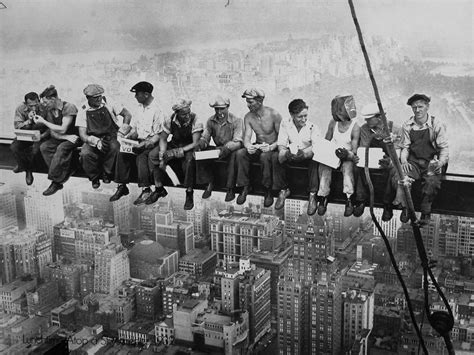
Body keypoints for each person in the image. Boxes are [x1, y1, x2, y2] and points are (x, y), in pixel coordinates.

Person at [384, 94, 448, 225]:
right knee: (401, 176)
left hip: (432, 162)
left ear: (427, 107)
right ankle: (404, 207)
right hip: (414, 162)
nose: (417, 110)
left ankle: (425, 213)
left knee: (431, 182)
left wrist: (440, 163)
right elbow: (405, 147)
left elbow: (444, 148)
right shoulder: (407, 125)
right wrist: (404, 161)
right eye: (414, 108)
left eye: (420, 107)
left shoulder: (436, 124)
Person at [109, 81, 166, 205]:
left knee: (141, 157)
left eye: (137, 94)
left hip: (151, 143)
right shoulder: (140, 108)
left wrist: (146, 143)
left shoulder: (157, 110)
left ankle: (146, 189)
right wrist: (128, 137)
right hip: (139, 141)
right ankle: (122, 186)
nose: (135, 97)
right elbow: (135, 128)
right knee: (121, 152)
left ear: (146, 94)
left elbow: (159, 134)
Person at [149, 99, 203, 210]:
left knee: (189, 161)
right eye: (183, 114)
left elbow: (195, 142)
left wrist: (177, 152)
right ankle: (159, 188)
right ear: (177, 113)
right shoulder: (170, 119)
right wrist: (162, 154)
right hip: (175, 143)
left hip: (189, 147)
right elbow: (163, 139)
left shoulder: (196, 119)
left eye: (188, 112)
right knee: (153, 155)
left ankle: (189, 192)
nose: (187, 116)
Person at [76, 84, 132, 189]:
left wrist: (122, 132)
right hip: (93, 138)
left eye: (100, 96)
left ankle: (107, 173)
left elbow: (127, 114)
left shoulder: (108, 102)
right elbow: (82, 134)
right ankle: (94, 177)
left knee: (115, 148)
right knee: (85, 154)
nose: (99, 99)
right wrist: (96, 142)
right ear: (88, 98)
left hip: (111, 135)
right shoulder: (83, 109)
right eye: (95, 97)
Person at [235, 88, 283, 207]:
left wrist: (271, 147)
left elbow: (283, 138)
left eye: (250, 102)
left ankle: (267, 190)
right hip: (259, 146)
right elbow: (247, 137)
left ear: (260, 101)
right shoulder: (248, 117)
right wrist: (248, 146)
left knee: (264, 156)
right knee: (240, 153)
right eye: (247, 102)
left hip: (273, 148)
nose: (248, 105)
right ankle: (245, 186)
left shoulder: (274, 114)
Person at [274, 99, 321, 214]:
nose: (304, 119)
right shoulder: (285, 123)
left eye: (305, 116)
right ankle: (283, 190)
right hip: (292, 155)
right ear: (292, 115)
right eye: (300, 117)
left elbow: (317, 146)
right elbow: (281, 143)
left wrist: (304, 154)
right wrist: (285, 153)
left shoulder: (313, 127)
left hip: (307, 156)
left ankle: (312, 195)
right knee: (277, 157)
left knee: (316, 161)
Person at [353, 103, 400, 217]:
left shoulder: (395, 129)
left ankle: (387, 204)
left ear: (379, 117)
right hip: (371, 160)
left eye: (369, 119)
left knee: (394, 170)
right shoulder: (365, 129)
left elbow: (397, 153)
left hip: (388, 160)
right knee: (358, 167)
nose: (366, 121)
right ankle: (361, 200)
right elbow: (364, 147)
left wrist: (389, 161)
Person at [316, 94, 360, 217]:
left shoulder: (355, 126)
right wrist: (325, 152)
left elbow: (355, 150)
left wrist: (347, 154)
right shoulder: (333, 123)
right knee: (324, 167)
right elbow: (327, 140)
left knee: (347, 169)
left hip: (346, 156)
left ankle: (349, 198)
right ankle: (323, 197)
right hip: (333, 154)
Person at [32, 85, 80, 195]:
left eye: (45, 102)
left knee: (62, 148)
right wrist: (64, 137)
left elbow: (63, 129)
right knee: (44, 147)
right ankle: (63, 172)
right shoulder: (50, 111)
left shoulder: (69, 107)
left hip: (74, 138)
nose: (43, 105)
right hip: (64, 138)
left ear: (53, 99)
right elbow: (53, 131)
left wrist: (43, 121)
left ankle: (56, 181)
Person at [195, 95, 243, 201]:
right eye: (217, 109)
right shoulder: (210, 121)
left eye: (222, 108)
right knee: (202, 154)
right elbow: (206, 137)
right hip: (218, 149)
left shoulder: (237, 120)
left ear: (227, 107)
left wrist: (226, 149)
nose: (219, 111)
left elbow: (238, 141)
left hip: (231, 149)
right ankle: (209, 183)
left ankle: (230, 188)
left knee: (234, 156)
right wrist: (201, 144)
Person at [10, 92, 49, 185]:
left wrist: (42, 136)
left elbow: (50, 126)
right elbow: (17, 126)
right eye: (31, 106)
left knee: (34, 151)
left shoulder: (45, 108)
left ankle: (27, 170)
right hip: (26, 134)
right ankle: (23, 166)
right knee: (14, 147)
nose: (34, 108)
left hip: (40, 135)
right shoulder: (20, 108)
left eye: (36, 105)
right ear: (25, 104)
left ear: (39, 101)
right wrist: (29, 121)